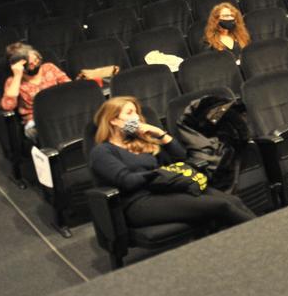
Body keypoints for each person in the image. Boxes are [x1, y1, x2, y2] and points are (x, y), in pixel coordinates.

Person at [88, 96, 256, 230]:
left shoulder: (141, 142)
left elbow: (182, 159)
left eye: (137, 113)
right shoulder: (102, 152)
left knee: (234, 201)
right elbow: (127, 181)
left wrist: (161, 134)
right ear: (114, 120)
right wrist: (163, 174)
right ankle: (264, 236)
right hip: (138, 203)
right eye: (130, 113)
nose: (137, 118)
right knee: (223, 205)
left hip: (165, 190)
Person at [1, 43, 70, 141]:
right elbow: (8, 106)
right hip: (34, 121)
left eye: (36, 60)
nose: (35, 64)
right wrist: (17, 76)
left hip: (59, 111)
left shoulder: (49, 68)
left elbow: (69, 86)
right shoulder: (13, 81)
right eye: (31, 64)